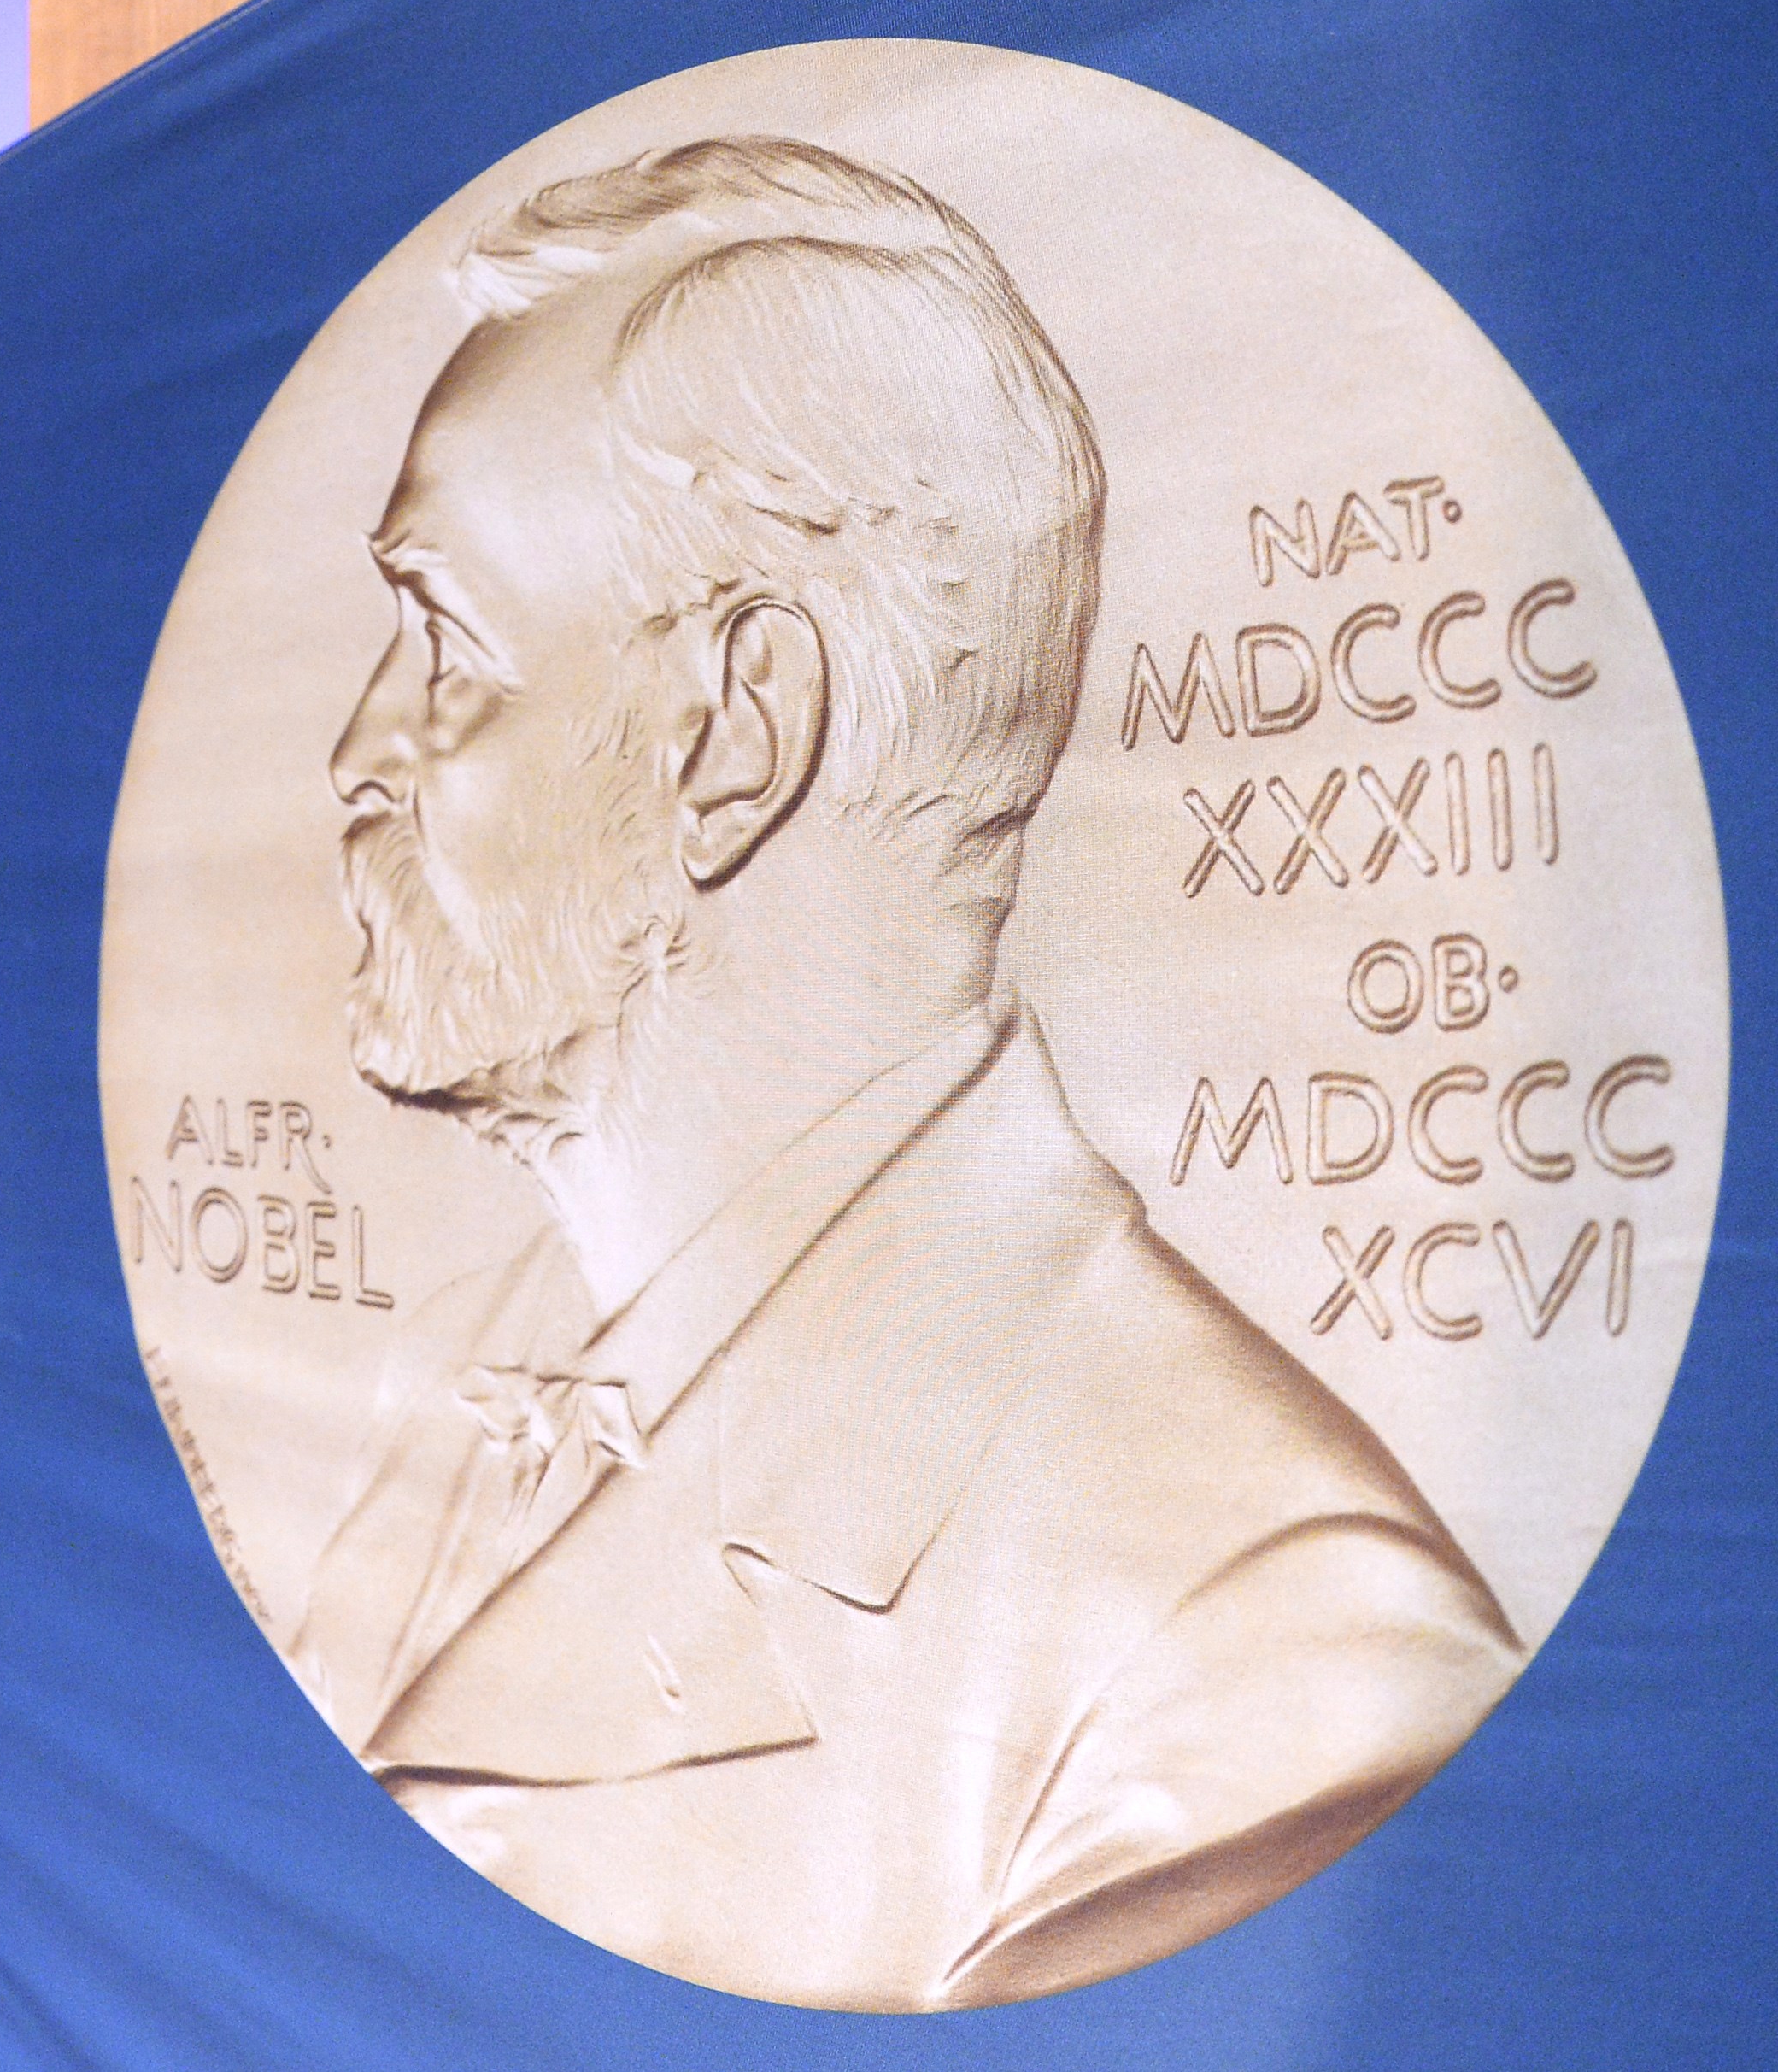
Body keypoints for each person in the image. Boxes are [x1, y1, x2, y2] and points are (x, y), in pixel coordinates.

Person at [284, 137, 1518, 2009]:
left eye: (442, 637)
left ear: (735, 731)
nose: (356, 753)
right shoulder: (450, 1380)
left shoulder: (1276, 1667)